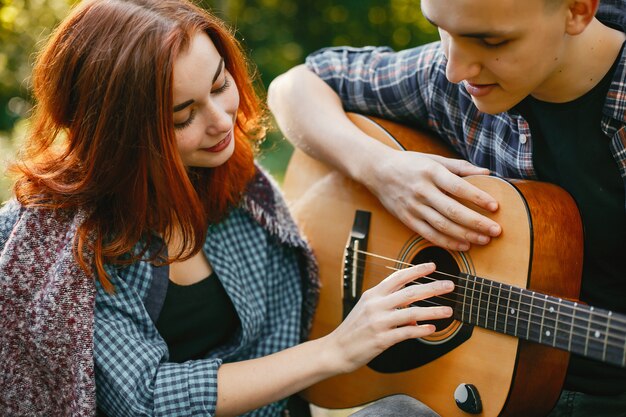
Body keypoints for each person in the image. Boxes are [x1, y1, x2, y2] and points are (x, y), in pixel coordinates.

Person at [0, 1, 457, 416]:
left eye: (221, 85)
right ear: (120, 134)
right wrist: (334, 350)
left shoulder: (240, 187)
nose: (221, 121)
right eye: (183, 116)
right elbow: (143, 397)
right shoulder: (63, 246)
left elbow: (300, 290)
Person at [268, 0, 626, 415]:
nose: (455, 69)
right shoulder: (446, 79)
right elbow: (295, 86)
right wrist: (380, 169)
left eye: (490, 40)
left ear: (578, 11)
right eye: (441, 28)